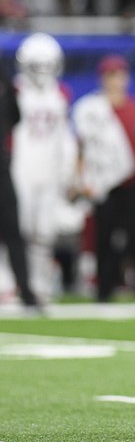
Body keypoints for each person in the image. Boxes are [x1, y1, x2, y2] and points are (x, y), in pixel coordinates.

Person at [72, 54, 135, 303]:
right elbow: (82, 147)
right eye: (111, 75)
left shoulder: (134, 107)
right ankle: (104, 288)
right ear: (103, 78)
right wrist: (81, 179)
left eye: (120, 74)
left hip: (133, 180)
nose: (116, 80)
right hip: (105, 183)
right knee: (104, 237)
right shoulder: (94, 110)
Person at [12, 32, 78, 303]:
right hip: (21, 168)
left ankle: (38, 284)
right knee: (17, 229)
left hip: (48, 170)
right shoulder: (15, 90)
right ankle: (11, 282)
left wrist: (68, 168)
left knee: (44, 231)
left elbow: (65, 136)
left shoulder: (58, 95)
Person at [0, 66, 38, 308]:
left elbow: (14, 115)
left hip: (1, 165)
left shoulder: (4, 75)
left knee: (13, 230)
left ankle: (26, 290)